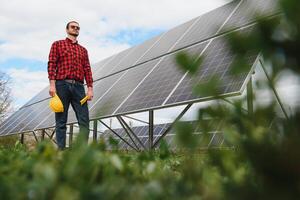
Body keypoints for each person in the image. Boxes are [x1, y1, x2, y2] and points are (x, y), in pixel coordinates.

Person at [47, 21, 94, 150]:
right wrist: (52, 85)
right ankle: (61, 151)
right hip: (61, 85)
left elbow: (87, 69)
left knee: (84, 120)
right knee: (61, 121)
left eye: (78, 27)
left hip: (79, 87)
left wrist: (90, 88)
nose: (76, 29)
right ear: (67, 29)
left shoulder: (83, 50)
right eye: (73, 27)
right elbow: (52, 64)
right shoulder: (57, 44)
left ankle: (82, 151)